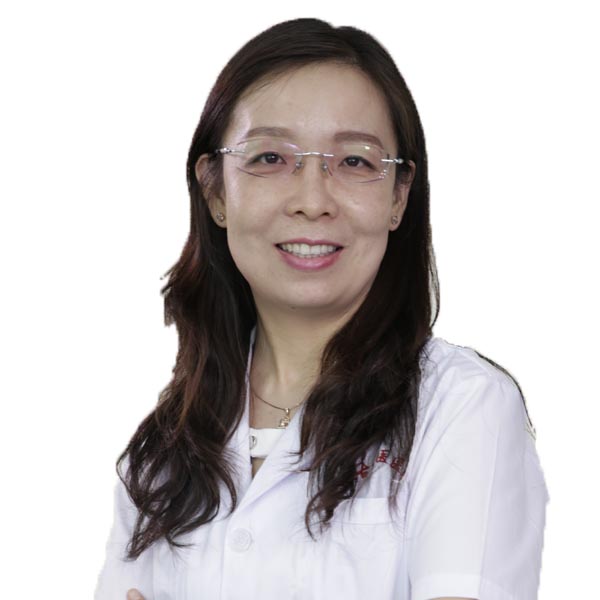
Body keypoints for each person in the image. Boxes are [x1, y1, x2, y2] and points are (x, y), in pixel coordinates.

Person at [94, 17, 549, 600]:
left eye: (355, 162)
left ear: (399, 196)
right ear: (215, 191)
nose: (312, 201)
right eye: (270, 158)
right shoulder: (161, 455)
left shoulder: (462, 409)